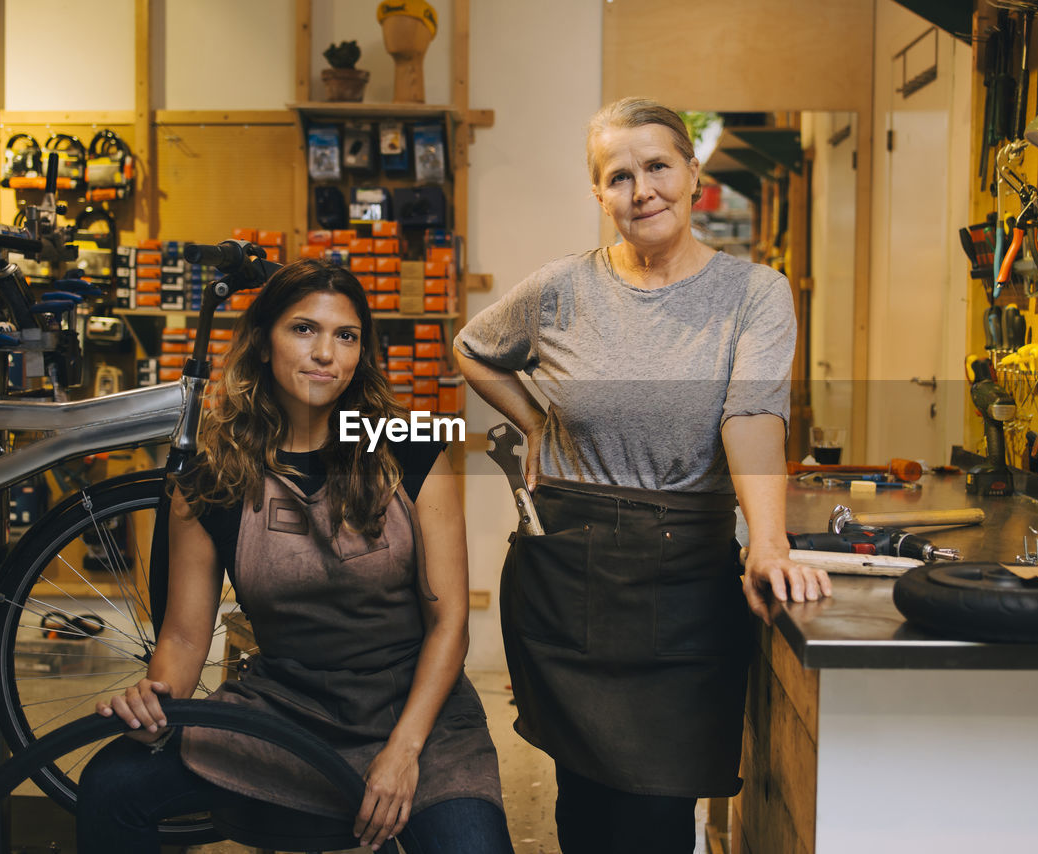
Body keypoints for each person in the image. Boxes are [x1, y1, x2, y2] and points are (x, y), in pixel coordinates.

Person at [453, 97, 832, 854]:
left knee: (657, 816)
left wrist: (767, 541)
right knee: (583, 804)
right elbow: (472, 347)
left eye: (658, 166)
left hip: (684, 579)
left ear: (693, 174)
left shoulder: (753, 295)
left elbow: (752, 416)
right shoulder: (561, 289)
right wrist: (535, 421)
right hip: (566, 576)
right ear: (599, 195)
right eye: (618, 176)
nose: (642, 189)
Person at [78, 259, 514, 854]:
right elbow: (183, 640)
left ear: (362, 352)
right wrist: (153, 700)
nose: (325, 353)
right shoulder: (213, 478)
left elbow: (450, 624)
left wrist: (404, 751)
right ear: (262, 343)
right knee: (111, 786)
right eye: (303, 329)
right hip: (281, 709)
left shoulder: (412, 452)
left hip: (417, 712)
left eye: (346, 335)